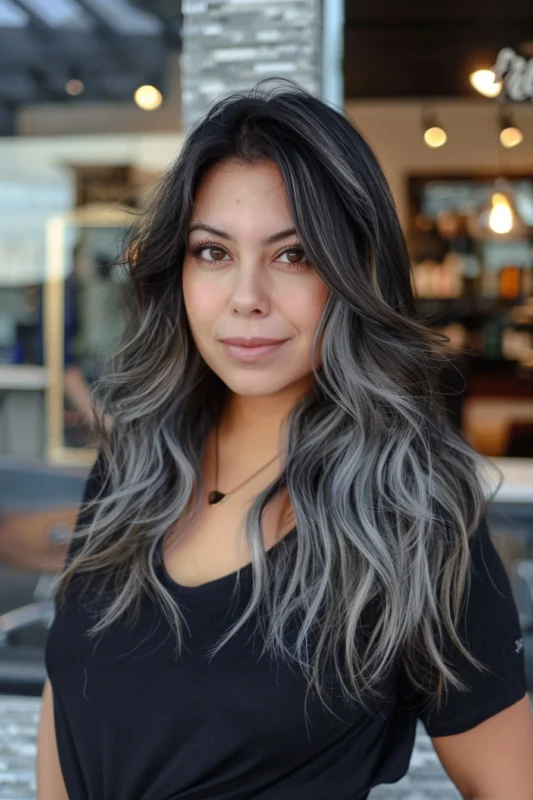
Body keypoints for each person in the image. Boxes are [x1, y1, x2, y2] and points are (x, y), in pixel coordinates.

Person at [37, 80, 533, 800]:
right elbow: (68, 698)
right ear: (176, 269)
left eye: (293, 255)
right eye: (212, 252)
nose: (246, 296)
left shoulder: (418, 519)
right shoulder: (134, 466)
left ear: (354, 272)